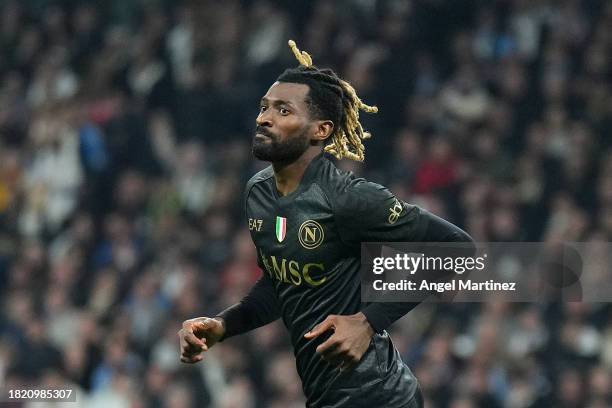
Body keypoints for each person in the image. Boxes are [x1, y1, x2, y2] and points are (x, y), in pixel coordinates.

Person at [178, 40, 472, 408]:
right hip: (327, 399)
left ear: (320, 130)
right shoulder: (258, 193)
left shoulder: (348, 197)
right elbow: (282, 285)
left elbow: (457, 249)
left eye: (283, 110)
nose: (263, 118)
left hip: (380, 398)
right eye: (264, 107)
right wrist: (224, 326)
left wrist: (368, 321)